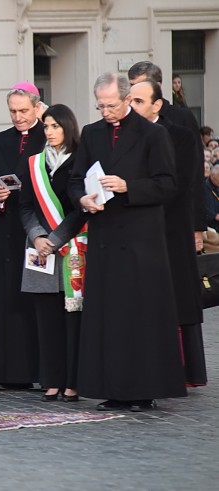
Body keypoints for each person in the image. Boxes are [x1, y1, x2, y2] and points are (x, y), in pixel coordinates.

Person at [69, 72, 186, 412]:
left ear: (126, 99)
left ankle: (142, 389)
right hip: (105, 236)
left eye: (111, 105)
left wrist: (127, 186)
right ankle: (111, 387)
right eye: (100, 105)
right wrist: (83, 200)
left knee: (140, 316)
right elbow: (76, 180)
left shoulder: (153, 134)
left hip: (140, 240)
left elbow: (167, 185)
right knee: (109, 317)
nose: (105, 111)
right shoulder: (92, 134)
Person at [130, 80, 207, 387]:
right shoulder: (122, 136)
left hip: (171, 225)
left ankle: (185, 367)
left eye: (138, 100)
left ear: (157, 103)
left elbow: (185, 183)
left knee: (178, 297)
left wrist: (196, 226)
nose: (131, 106)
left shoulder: (180, 135)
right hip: (135, 227)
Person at [0, 81, 46, 390]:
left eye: (23, 111)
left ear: (36, 107)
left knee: (39, 303)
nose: (17, 117)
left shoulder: (48, 135)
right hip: (7, 232)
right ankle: (10, 372)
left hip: (38, 230)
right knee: (8, 304)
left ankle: (44, 372)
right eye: (13, 111)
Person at [19, 104, 87, 403]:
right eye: (46, 127)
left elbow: (80, 209)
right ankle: (51, 380)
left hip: (72, 247)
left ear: (68, 127)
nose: (49, 132)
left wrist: (56, 238)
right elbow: (24, 206)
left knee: (73, 318)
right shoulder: (33, 163)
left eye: (55, 126)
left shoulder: (81, 161)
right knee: (45, 319)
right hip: (40, 250)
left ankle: (73, 382)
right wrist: (38, 236)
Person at [206, 164, 219, 231]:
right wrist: (214, 216)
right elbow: (199, 207)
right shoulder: (203, 188)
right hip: (210, 225)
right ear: (212, 176)